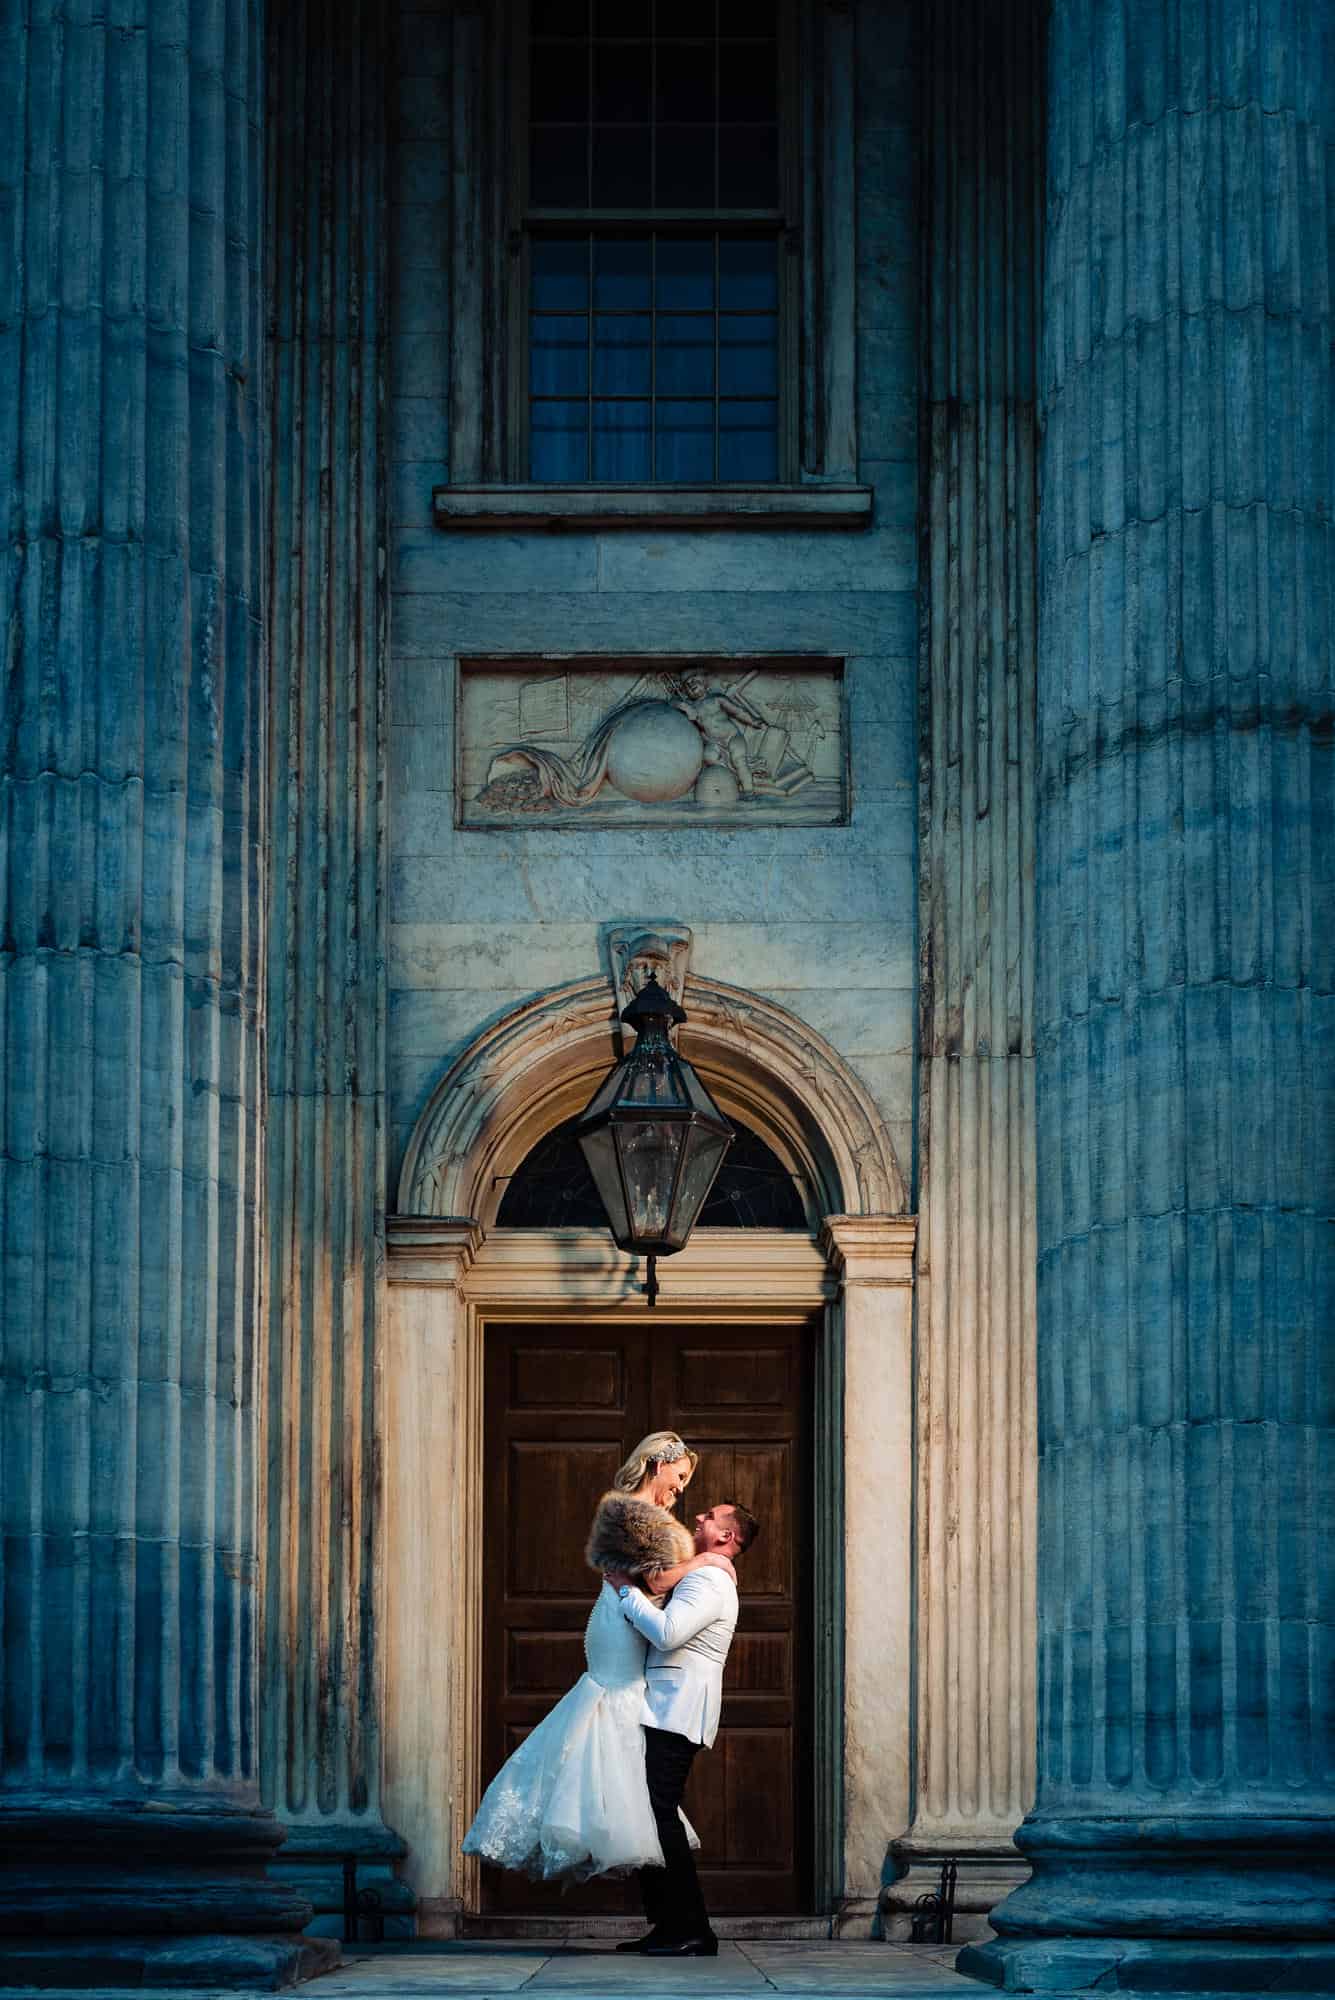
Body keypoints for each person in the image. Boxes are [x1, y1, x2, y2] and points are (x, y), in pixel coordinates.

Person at [460, 1432, 734, 1883]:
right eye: (680, 1476)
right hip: (619, 1622)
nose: (683, 1488)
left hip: (622, 1615)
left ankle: (627, 1819)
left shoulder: (653, 1514)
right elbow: (659, 1582)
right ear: (656, 1465)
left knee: (622, 1717)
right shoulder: (628, 1510)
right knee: (618, 1700)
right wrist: (706, 1562)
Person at [606, 1499, 761, 1957]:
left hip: (677, 1711)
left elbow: (669, 1633)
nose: (699, 1518)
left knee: (659, 1815)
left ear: (728, 1536)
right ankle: (670, 1926)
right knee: (652, 1815)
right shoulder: (703, 1571)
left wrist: (624, 1590)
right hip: (665, 1708)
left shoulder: (712, 1579)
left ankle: (694, 1930)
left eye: (711, 1517)